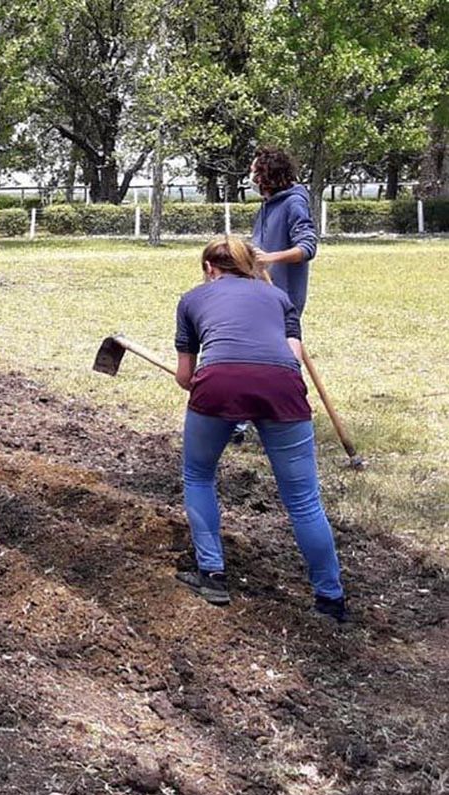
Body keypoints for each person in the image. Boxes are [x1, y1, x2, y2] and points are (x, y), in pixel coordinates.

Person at [172, 235, 347, 623]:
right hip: (282, 386)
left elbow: (186, 377)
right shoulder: (280, 298)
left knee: (199, 475)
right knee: (303, 499)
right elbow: (292, 357)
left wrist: (216, 382)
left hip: (218, 383)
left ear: (208, 269)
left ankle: (212, 574)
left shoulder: (191, 299)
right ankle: (330, 598)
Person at [250, 146, 318, 322]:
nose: (251, 179)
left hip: (284, 298)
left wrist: (270, 258)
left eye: (254, 173)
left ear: (266, 176)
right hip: (263, 293)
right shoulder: (267, 205)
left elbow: (307, 248)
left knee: (289, 343)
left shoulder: (294, 203)